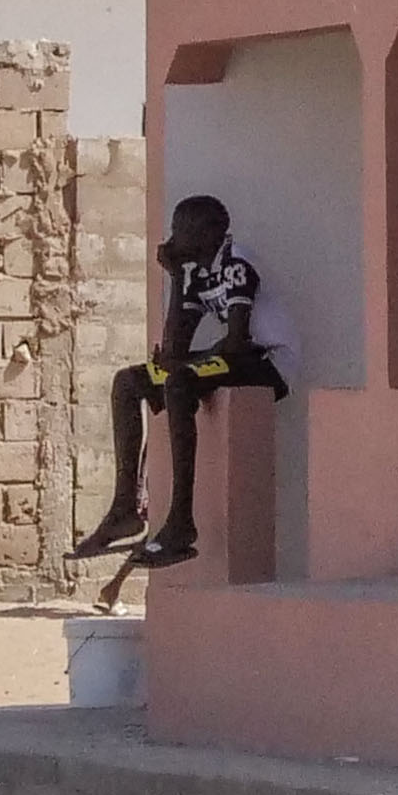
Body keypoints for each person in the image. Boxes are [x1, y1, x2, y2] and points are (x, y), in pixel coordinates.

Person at [73, 192, 290, 577]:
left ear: (208, 233)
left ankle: (180, 522)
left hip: (269, 363)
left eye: (181, 230)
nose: (173, 238)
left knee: (179, 382)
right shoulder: (198, 274)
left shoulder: (236, 264)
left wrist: (185, 363)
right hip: (237, 360)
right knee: (130, 381)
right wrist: (175, 277)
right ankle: (125, 507)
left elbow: (238, 342)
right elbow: (175, 347)